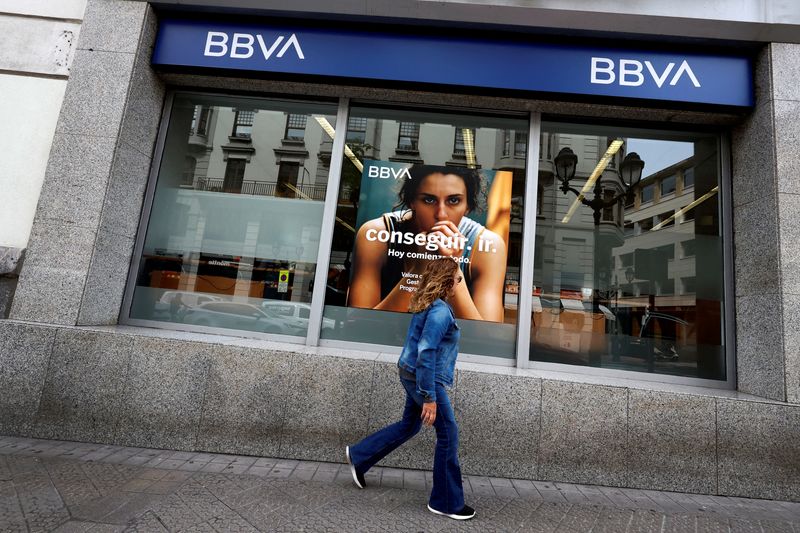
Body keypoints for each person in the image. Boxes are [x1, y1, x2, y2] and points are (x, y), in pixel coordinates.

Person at [345, 258, 475, 521]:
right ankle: (446, 501)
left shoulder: (429, 304)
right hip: (425, 379)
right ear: (447, 281)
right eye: (458, 279)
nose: (459, 284)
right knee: (448, 433)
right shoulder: (439, 312)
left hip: (412, 373)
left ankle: (360, 456)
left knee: (409, 425)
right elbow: (426, 352)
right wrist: (429, 397)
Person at [348, 164, 507, 322]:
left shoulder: (487, 245)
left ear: (468, 206)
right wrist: (421, 268)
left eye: (453, 200)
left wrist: (452, 267)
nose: (441, 214)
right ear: (411, 201)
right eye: (429, 200)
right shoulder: (377, 234)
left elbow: (486, 337)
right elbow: (359, 324)